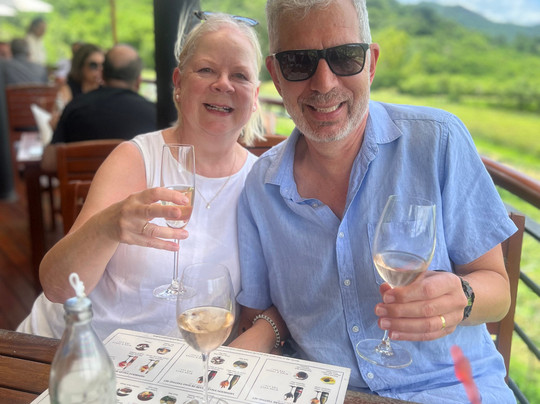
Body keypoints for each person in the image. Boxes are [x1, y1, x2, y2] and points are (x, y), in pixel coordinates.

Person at [232, 0, 517, 403]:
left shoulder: (439, 141)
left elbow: (498, 291)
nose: (324, 83)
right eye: (298, 62)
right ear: (276, 76)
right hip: (327, 392)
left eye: (345, 57)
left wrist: (463, 298)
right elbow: (258, 316)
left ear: (371, 64)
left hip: (451, 389)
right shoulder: (261, 188)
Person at [18, 13, 264, 341]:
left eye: (240, 75)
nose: (223, 83)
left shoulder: (260, 182)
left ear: (255, 97)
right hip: (72, 350)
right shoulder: (135, 159)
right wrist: (107, 226)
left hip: (173, 365)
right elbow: (57, 287)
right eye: (206, 69)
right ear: (178, 83)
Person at [41, 43, 156, 172]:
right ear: (138, 81)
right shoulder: (154, 113)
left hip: (82, 185)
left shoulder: (74, 108)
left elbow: (48, 163)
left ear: (102, 74)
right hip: (135, 185)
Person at [49, 43, 104, 129]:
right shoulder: (68, 90)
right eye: (93, 65)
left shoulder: (107, 89)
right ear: (80, 66)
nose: (100, 69)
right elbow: (57, 122)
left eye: (103, 65)